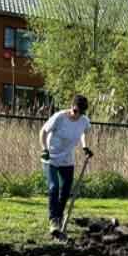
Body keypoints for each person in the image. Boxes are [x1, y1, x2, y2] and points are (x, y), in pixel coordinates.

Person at [40, 94, 92, 234]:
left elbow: (84, 133)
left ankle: (59, 216)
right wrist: (44, 149)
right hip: (51, 157)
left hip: (67, 160)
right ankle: (53, 220)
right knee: (54, 187)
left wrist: (85, 147)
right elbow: (43, 132)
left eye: (81, 113)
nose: (77, 115)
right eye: (76, 111)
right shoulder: (59, 117)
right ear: (71, 107)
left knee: (65, 191)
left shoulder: (84, 121)